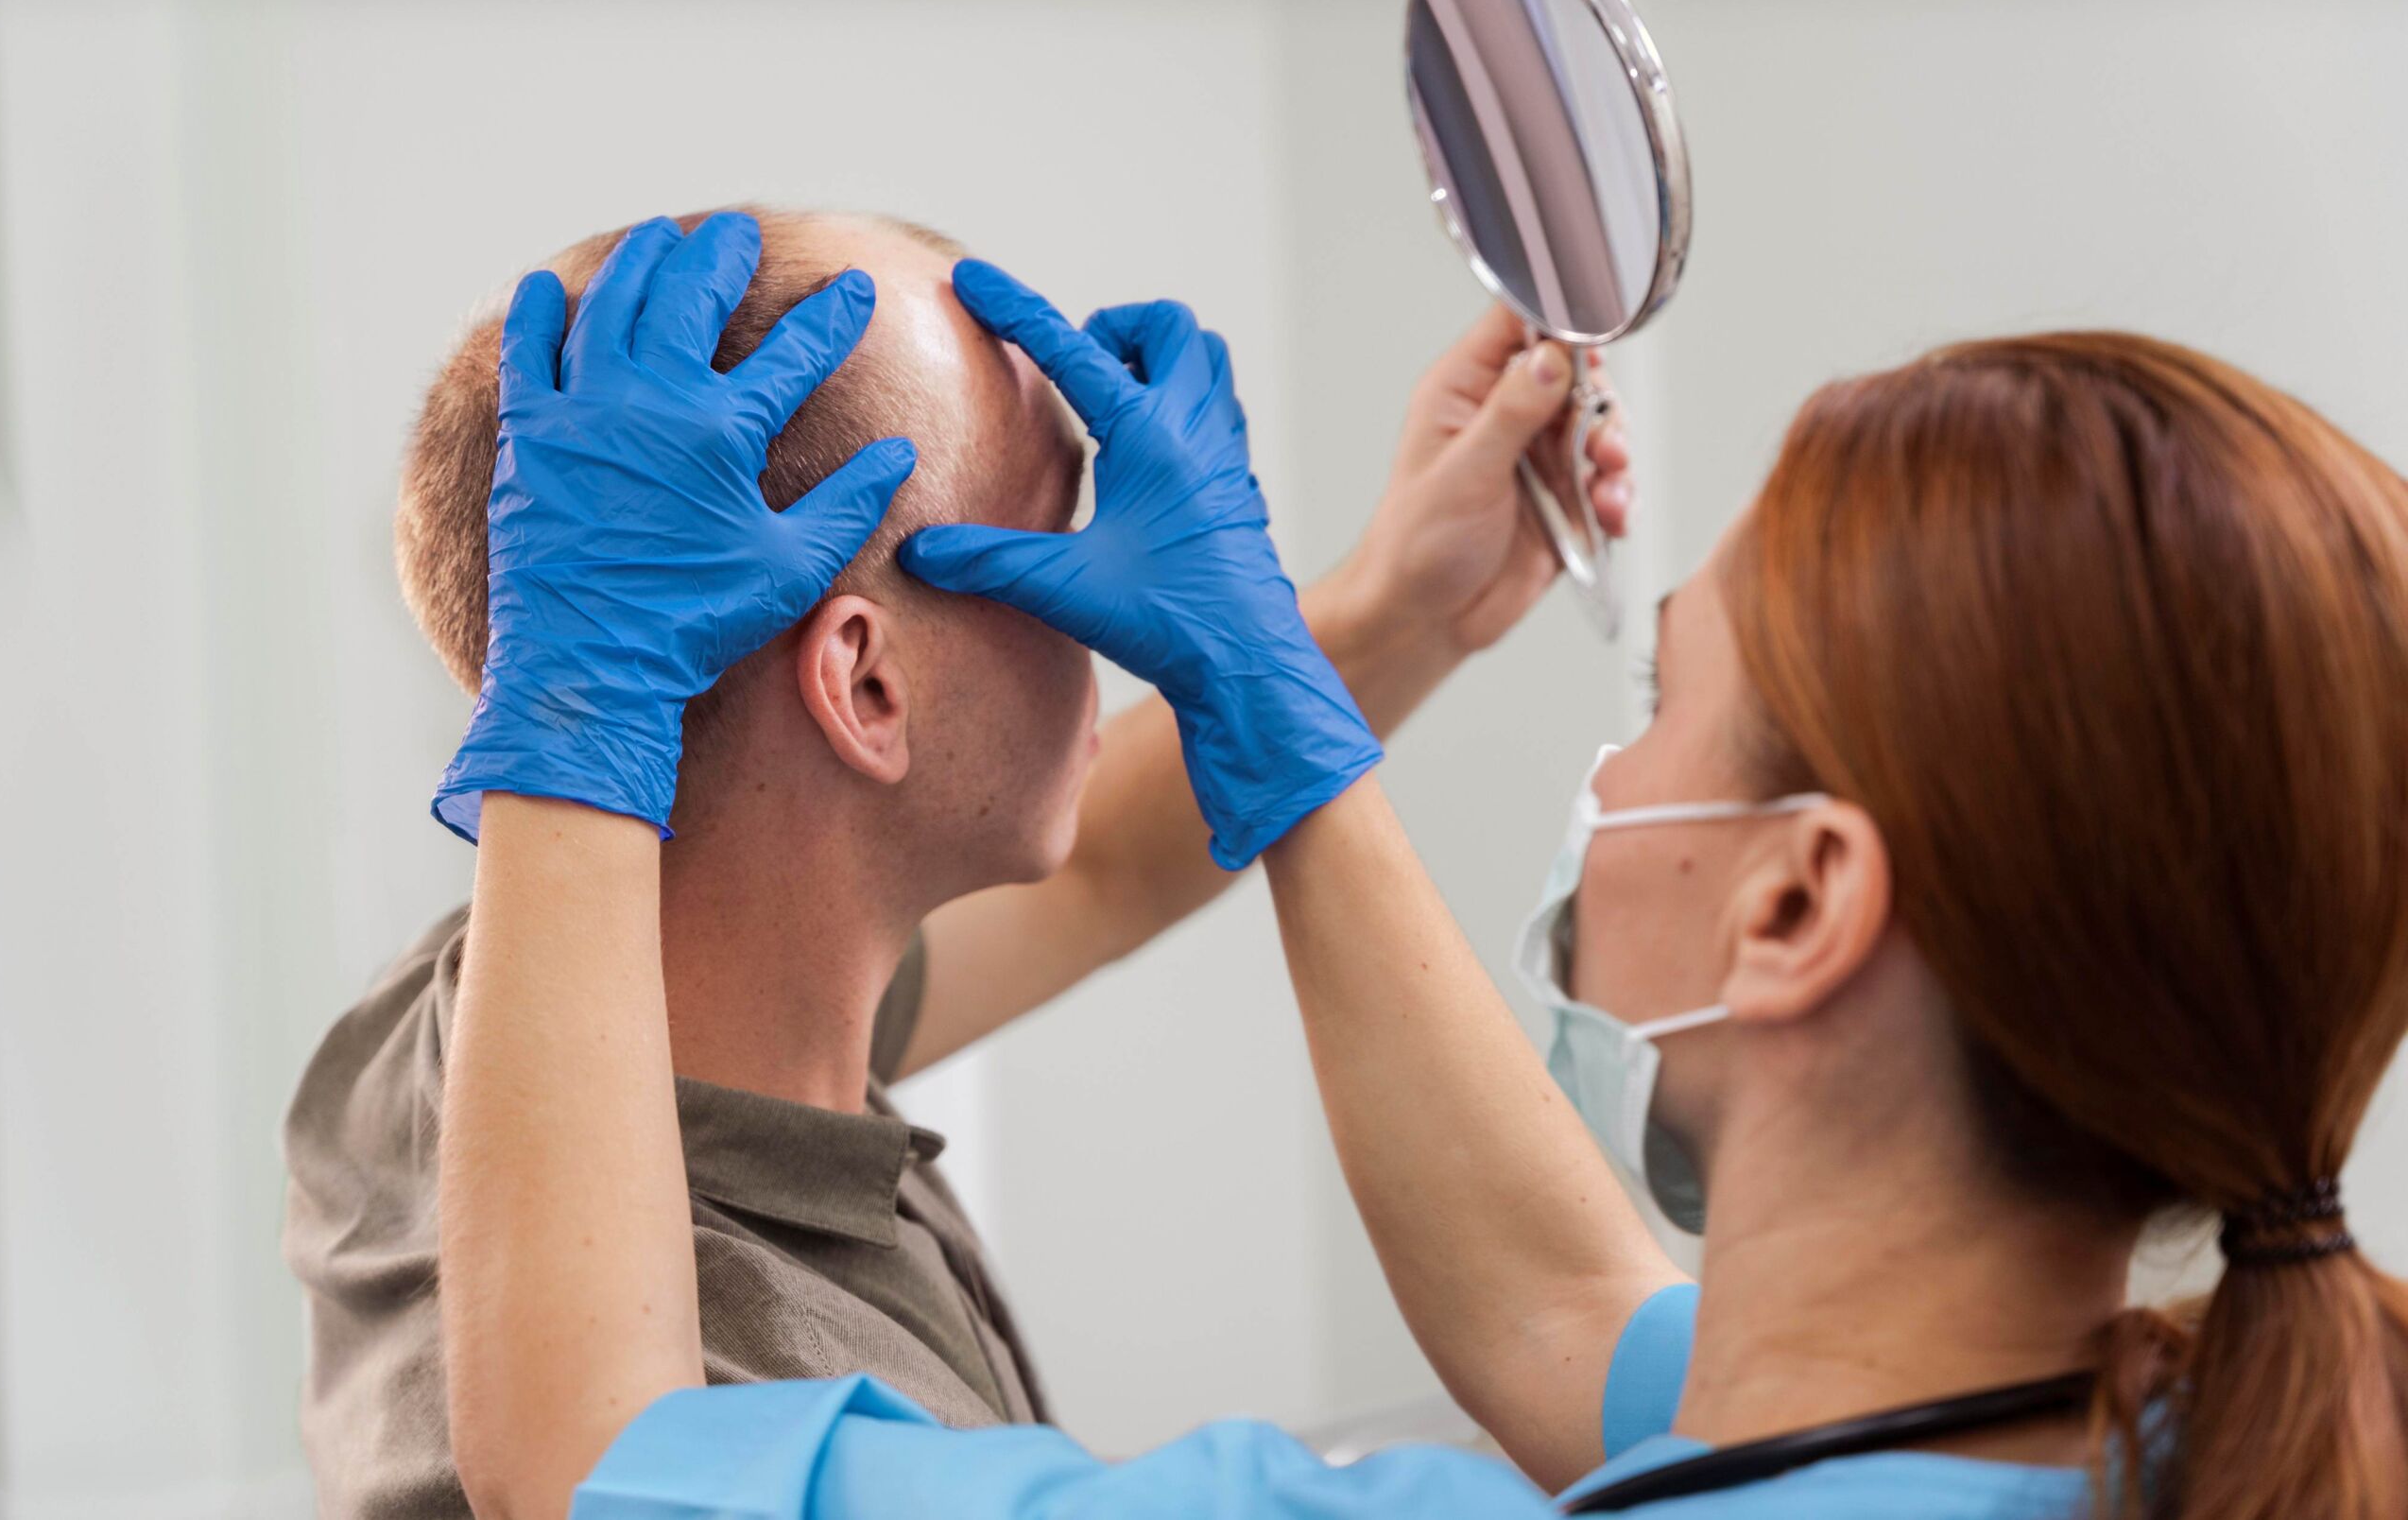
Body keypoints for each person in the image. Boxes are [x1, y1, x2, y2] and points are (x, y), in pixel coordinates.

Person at [439, 215, 2408, 1519]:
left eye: (1661, 695)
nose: (1613, 759)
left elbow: (597, 1456)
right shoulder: (2213, 1439)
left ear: (1795, 902)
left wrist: (582, 698)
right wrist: (1294, 688)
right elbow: (1562, 1313)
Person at [280, 206, 1630, 1519]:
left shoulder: (443, 1057)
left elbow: (1102, 871)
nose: (1120, 600)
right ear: (865, 685)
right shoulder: (772, 1387)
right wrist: (1336, 643)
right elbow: (600, 1463)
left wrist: (1397, 609)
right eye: (1059, 534)